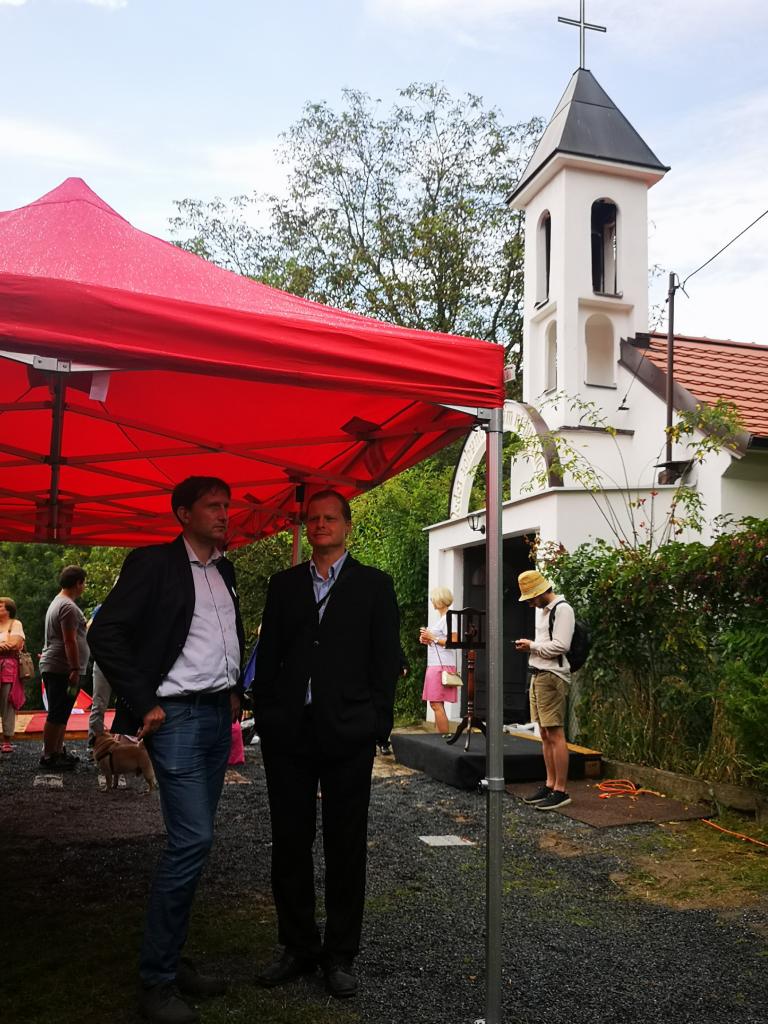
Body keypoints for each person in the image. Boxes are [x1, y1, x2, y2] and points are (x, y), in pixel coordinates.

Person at [88, 476, 245, 1024]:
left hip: (215, 717)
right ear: (183, 513)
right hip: (176, 718)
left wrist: (234, 693)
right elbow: (104, 634)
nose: (224, 514)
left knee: (194, 844)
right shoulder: (153, 564)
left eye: (227, 505)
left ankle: (172, 961)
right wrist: (143, 699)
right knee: (192, 840)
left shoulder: (224, 569)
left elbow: (224, 638)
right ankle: (156, 980)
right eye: (212, 506)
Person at [253, 489, 400, 999]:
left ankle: (339, 954)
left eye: (330, 518)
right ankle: (297, 946)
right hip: (289, 732)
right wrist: (267, 714)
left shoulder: (374, 585)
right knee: (290, 841)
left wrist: (377, 722)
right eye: (313, 518)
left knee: (346, 845)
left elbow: (386, 658)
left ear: (347, 525)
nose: (320, 525)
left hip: (348, 731)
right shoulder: (284, 585)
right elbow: (269, 652)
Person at [514, 570, 575, 811]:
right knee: (544, 733)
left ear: (540, 592)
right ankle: (550, 784)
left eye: (531, 598)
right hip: (538, 674)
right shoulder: (543, 611)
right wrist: (532, 648)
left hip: (553, 676)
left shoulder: (563, 609)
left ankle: (561, 789)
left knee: (555, 732)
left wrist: (532, 646)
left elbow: (561, 645)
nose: (530, 603)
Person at [38, 566, 89, 770]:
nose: (84, 587)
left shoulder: (59, 602)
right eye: (84, 583)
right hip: (62, 667)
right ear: (78, 583)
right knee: (57, 712)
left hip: (58, 665)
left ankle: (57, 752)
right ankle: (49, 755)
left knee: (62, 712)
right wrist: (74, 668)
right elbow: (69, 640)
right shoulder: (68, 607)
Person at [419, 586, 460, 736]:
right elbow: (438, 641)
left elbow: (454, 641)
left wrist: (433, 638)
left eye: (433, 598)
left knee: (436, 703)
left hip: (441, 666)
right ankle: (440, 737)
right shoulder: (442, 619)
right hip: (435, 664)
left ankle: (443, 738)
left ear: (440, 600)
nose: (432, 601)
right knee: (436, 703)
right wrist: (427, 639)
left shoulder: (449, 618)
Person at [0, 597, 25, 753]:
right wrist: (4, 645)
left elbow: (16, 643)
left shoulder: (15, 624)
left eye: (0, 605)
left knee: (7, 700)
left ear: (9, 609)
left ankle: (7, 739)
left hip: (8, 667)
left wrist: (6, 646)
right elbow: (9, 644)